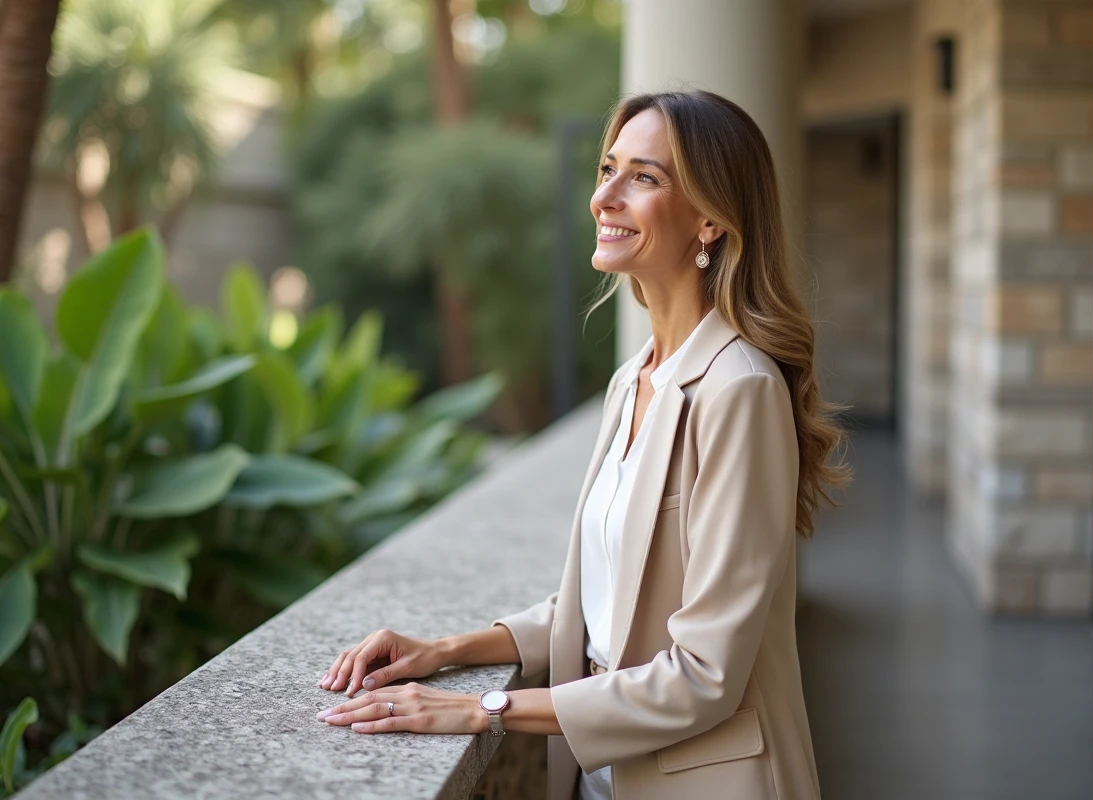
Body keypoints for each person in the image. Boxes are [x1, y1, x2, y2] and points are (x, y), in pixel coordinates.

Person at [313, 90, 850, 800]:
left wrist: (482, 708)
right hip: (602, 778)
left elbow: (707, 673)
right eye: (607, 170)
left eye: (644, 177)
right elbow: (599, 607)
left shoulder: (739, 391)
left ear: (711, 221)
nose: (605, 198)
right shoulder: (632, 382)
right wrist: (443, 650)